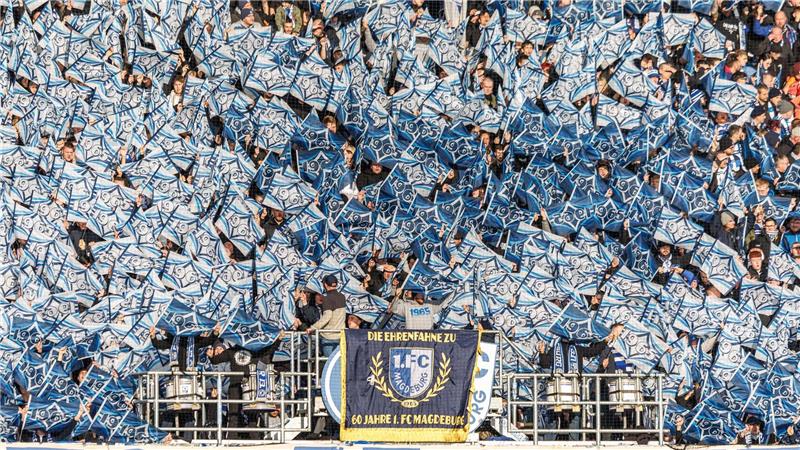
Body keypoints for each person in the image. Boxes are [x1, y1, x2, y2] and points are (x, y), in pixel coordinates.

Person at [306, 275, 346, 357]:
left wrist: (313, 327)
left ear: (325, 285)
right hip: (340, 334)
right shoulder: (342, 297)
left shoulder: (327, 298)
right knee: (337, 363)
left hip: (328, 336)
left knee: (328, 362)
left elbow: (327, 317)